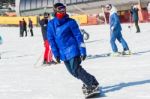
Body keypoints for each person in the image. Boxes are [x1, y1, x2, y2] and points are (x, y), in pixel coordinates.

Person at [47, 3, 100, 95]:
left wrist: (83, 50)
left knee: (76, 69)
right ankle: (91, 81)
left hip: (73, 49)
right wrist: (56, 54)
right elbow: (51, 40)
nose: (63, 11)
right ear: (55, 11)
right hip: (62, 52)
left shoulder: (71, 22)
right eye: (60, 9)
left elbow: (78, 36)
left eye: (64, 9)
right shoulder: (51, 24)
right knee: (73, 72)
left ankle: (92, 84)